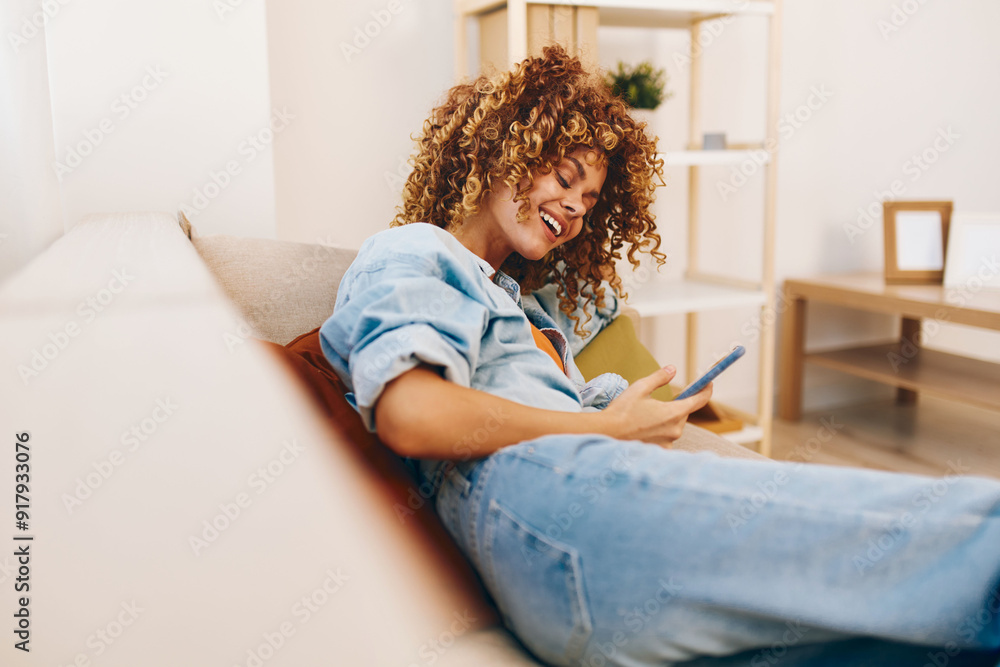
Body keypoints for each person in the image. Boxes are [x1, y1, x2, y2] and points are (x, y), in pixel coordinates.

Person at [319, 46, 1000, 667]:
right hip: (544, 501)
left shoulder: (533, 310)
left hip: (584, 576)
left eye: (589, 200)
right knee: (968, 537)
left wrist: (628, 411)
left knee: (931, 646)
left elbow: (573, 373)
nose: (574, 208)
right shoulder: (414, 250)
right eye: (563, 175)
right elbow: (412, 412)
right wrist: (607, 427)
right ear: (502, 150)